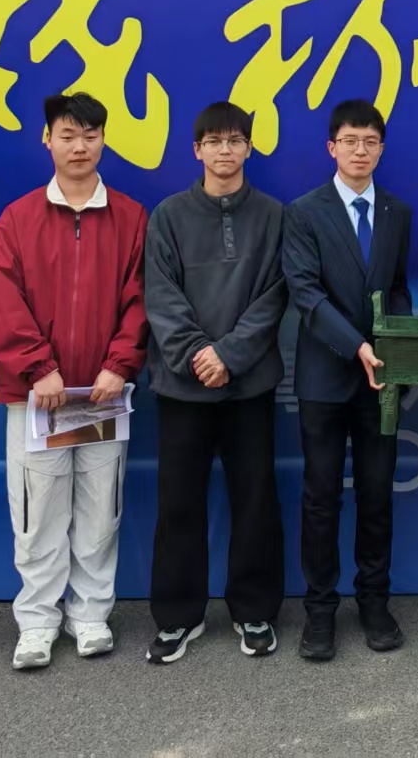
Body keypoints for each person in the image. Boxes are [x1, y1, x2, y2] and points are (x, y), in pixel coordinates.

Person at [0, 93, 148, 671]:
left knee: (101, 510)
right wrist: (40, 369)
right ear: (47, 140)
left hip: (102, 394)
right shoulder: (17, 219)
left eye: (90, 135)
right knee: (37, 512)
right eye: (68, 135)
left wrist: (119, 365)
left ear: (103, 140)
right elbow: (5, 301)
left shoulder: (130, 217)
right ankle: (36, 622)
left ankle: (90, 615)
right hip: (40, 398)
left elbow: (141, 299)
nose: (80, 147)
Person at [144, 102, 286, 664]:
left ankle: (255, 611)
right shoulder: (169, 216)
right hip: (183, 387)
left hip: (249, 385)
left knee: (255, 499)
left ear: (249, 148)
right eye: (213, 141)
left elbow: (275, 294)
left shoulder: (274, 215)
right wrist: (197, 354)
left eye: (235, 141)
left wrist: (230, 354)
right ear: (196, 150)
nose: (224, 151)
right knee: (178, 504)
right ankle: (178, 616)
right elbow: (161, 295)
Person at [281, 99, 413, 662]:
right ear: (331, 147)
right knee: (321, 496)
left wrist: (396, 347)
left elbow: (399, 288)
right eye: (350, 141)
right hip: (325, 377)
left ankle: (374, 601)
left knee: (378, 492)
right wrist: (358, 345)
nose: (361, 151)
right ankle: (319, 610)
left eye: (371, 142)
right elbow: (305, 293)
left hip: (382, 378)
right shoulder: (303, 212)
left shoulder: (397, 212)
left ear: (382, 149)